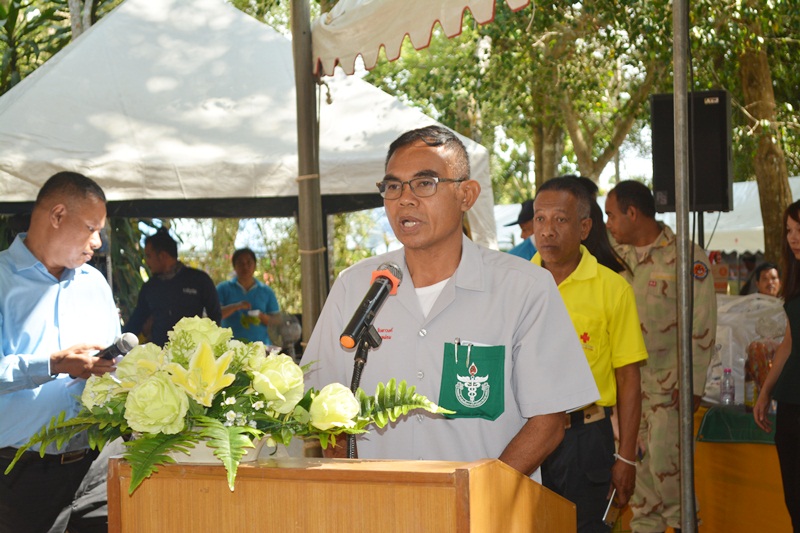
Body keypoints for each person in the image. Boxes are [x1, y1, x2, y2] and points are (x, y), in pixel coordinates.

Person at [302, 125, 599, 480]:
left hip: (485, 508)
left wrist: (480, 495)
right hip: (378, 504)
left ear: (466, 195)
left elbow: (548, 422)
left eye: (424, 183)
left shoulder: (524, 289)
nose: (405, 199)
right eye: (393, 187)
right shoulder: (354, 287)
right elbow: (322, 404)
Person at [0, 172, 121, 532]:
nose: (97, 242)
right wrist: (53, 364)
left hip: (95, 471)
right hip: (19, 475)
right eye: (91, 228)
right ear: (57, 215)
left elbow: (117, 368)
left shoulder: (94, 283)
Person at [532, 177, 647, 532]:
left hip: (585, 439)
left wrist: (626, 457)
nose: (547, 230)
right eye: (540, 219)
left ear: (584, 228)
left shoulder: (613, 288)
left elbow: (628, 377)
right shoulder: (516, 283)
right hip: (526, 435)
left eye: (560, 219)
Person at [605, 180, 716, 533]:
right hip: (630, 392)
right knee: (639, 492)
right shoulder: (615, 257)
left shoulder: (684, 256)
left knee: (673, 484)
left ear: (632, 213)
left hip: (670, 391)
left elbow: (702, 324)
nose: (608, 224)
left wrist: (693, 384)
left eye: (611, 215)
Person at [754, 200, 800, 530]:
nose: (793, 237)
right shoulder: (794, 278)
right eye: (789, 230)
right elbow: (789, 341)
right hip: (791, 403)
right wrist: (765, 391)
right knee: (794, 500)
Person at [124, 227, 221, 346]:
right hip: (159, 354)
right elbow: (135, 323)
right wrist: (119, 345)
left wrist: (208, 346)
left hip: (192, 352)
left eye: (149, 256)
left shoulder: (199, 280)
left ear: (163, 256)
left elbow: (215, 317)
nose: (146, 262)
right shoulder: (150, 287)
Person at [217, 247, 281, 344]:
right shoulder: (222, 289)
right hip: (228, 347)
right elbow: (214, 316)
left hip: (260, 347)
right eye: (240, 263)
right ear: (234, 267)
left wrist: (261, 316)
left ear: (255, 266)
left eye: (249, 263)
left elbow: (276, 323)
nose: (245, 267)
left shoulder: (266, 291)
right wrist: (236, 306)